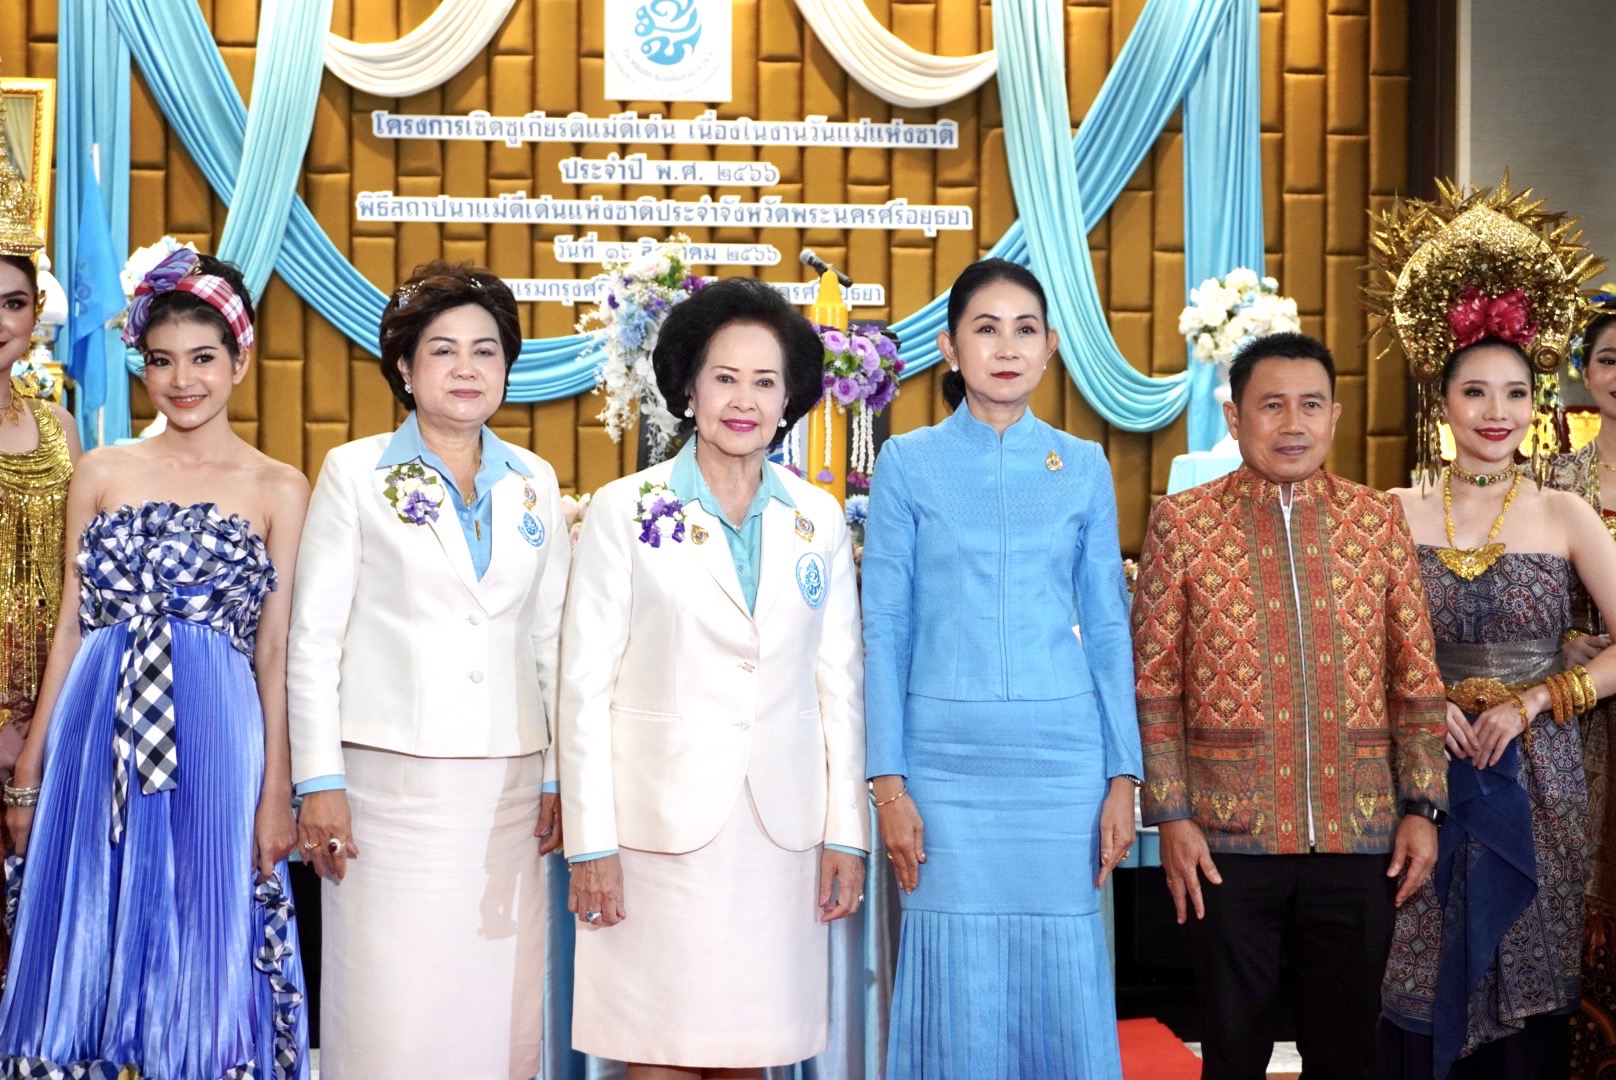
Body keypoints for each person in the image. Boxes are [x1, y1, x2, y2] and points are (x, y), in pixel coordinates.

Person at [0, 249, 310, 1077]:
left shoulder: (280, 486)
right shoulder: (101, 470)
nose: (183, 381)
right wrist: (29, 770)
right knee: (86, 913)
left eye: (203, 358)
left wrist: (276, 790)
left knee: (206, 913)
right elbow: (72, 623)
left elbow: (275, 649)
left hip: (217, 729)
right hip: (95, 721)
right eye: (163, 361)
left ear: (240, 360)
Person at [561, 276, 866, 1077]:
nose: (743, 400)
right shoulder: (625, 510)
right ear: (689, 389)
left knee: (750, 1054)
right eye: (725, 377)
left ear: (789, 399)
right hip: (655, 838)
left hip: (779, 839)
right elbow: (583, 690)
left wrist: (846, 831)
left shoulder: (818, 519)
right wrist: (590, 844)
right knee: (657, 1053)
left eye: (765, 382)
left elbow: (839, 688)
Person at [1133, 330, 1449, 1080]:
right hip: (1225, 841)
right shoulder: (1183, 523)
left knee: (1346, 1051)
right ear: (1234, 417)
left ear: (1334, 415)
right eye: (1271, 405)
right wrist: (1171, 816)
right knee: (1232, 1049)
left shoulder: (1375, 520)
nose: (1293, 423)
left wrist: (1422, 807)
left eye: (1310, 405)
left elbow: (1415, 677)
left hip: (1360, 833)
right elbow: (1152, 684)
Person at [860, 257, 1141, 1078]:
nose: (1007, 348)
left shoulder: (1083, 464)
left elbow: (1109, 628)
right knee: (957, 982)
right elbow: (886, 628)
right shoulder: (908, 462)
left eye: (1025, 330)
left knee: (1061, 979)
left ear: (1051, 347)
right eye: (986, 329)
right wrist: (889, 784)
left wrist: (1123, 776)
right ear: (949, 347)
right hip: (943, 768)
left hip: (1062, 765)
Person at [287, 261, 568, 1079]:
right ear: (405, 367)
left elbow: (551, 640)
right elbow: (314, 640)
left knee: (497, 1016)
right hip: (388, 790)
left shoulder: (535, 482)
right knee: (393, 1015)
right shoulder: (355, 472)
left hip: (511, 790)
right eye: (443, 350)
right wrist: (318, 781)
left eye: (486, 350)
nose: (466, 367)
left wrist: (559, 772)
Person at [1366, 184, 1616, 1079]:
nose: (1496, 410)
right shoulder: (1390, 510)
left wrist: (1537, 702)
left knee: (1526, 968)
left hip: (1539, 770)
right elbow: (1358, 646)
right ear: (1442, 400)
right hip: (1419, 768)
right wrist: (1418, 704)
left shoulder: (1563, 512)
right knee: (1416, 953)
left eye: (1515, 391)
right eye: (1475, 391)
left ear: (1537, 399)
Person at [0, 173, 81, 977]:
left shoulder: (60, 427)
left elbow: (79, 588)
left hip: (49, 714)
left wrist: (42, 726)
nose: (0, 321)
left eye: (13, 303)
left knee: (40, 937)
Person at [1554, 306, 1616, 1078]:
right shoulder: (1555, 481)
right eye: (1608, 359)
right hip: (1584, 713)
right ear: (1586, 372)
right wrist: (1563, 643)